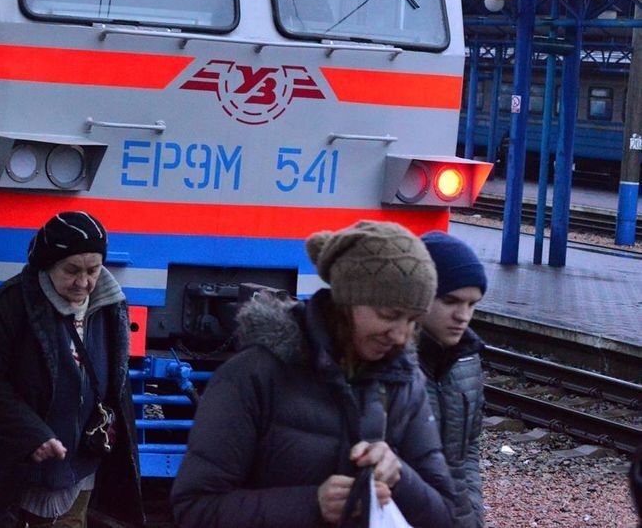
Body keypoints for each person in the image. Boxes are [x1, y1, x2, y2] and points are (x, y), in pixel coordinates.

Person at [170, 220, 458, 528]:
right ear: (346, 302)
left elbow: (444, 515)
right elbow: (195, 509)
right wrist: (311, 505)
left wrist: (400, 475)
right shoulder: (254, 375)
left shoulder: (405, 383)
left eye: (414, 322)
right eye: (389, 315)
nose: (401, 336)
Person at [0, 212, 142, 528]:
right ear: (48, 264)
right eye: (71, 270)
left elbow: (117, 380)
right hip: (23, 468)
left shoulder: (111, 305)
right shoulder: (12, 303)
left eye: (93, 271)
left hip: (83, 464)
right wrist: (31, 432)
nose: (83, 282)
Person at [419, 231, 488, 528]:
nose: (464, 316)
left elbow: (467, 452)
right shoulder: (388, 362)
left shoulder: (467, 360)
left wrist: (473, 514)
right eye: (451, 301)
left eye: (472, 304)